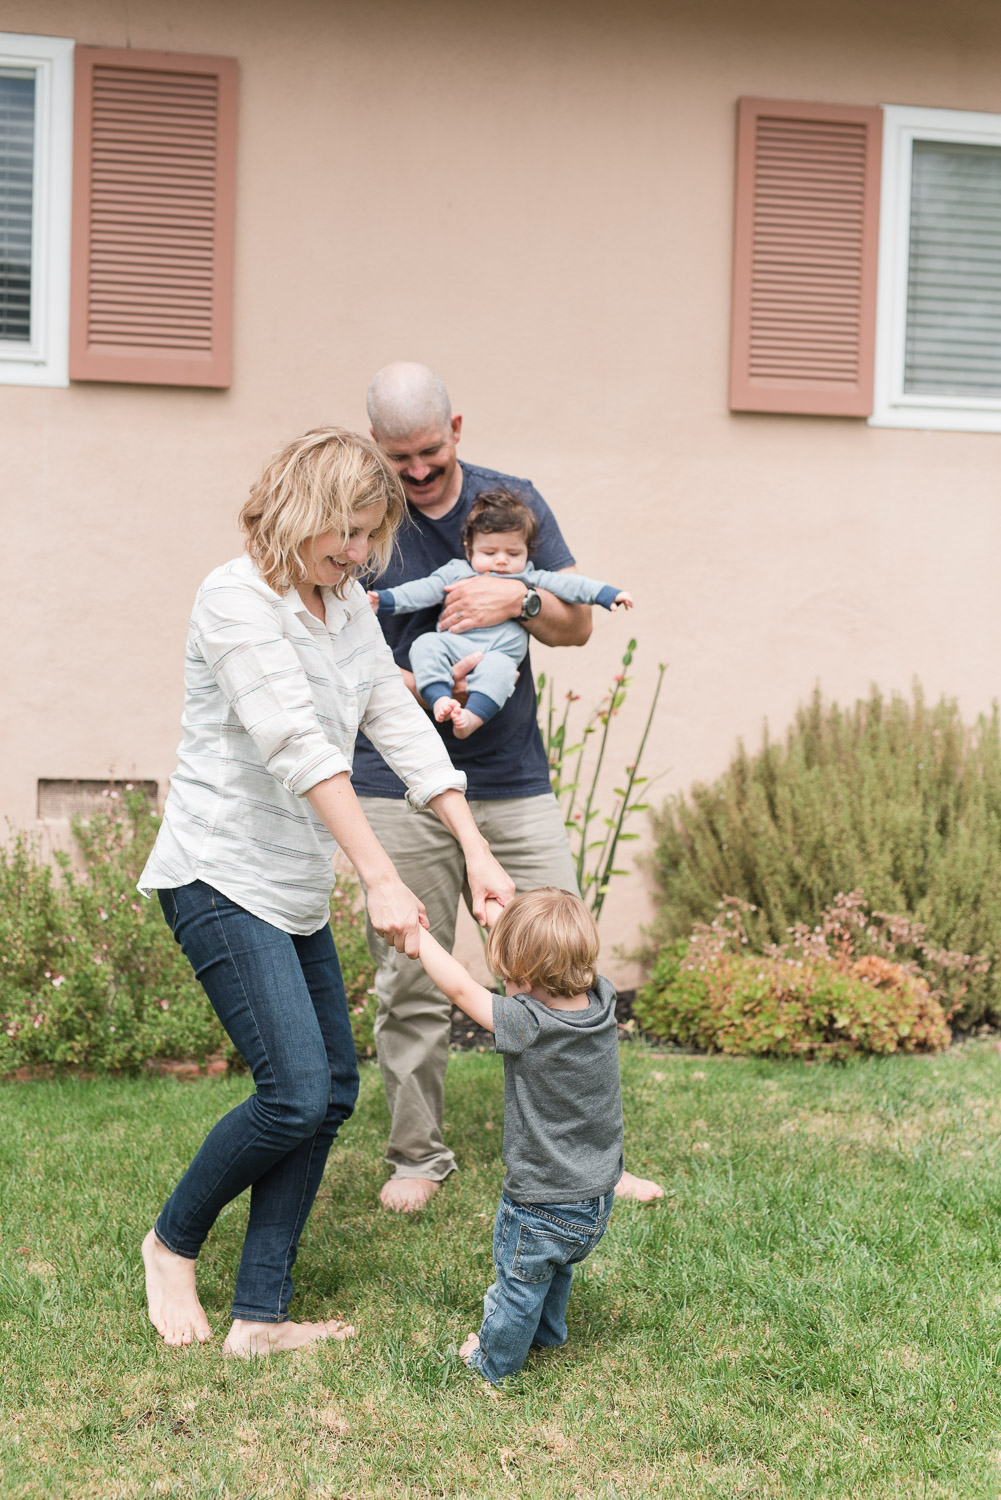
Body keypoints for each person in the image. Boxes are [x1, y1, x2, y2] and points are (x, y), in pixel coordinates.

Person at [137, 427, 514, 1356]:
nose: (354, 554)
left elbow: (392, 715)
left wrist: (472, 845)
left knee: (330, 1087)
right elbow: (298, 744)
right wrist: (380, 875)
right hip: (220, 870)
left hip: (292, 878)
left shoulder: (342, 604)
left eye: (368, 536)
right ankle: (171, 1241)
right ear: (298, 512)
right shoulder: (235, 599)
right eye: (341, 532)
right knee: (294, 1091)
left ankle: (259, 1318)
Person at [355, 361, 661, 1211]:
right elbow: (341, 623)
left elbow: (577, 626)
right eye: (396, 457)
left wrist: (510, 601)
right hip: (396, 777)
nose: (414, 472)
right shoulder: (363, 507)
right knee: (411, 974)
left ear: (455, 431)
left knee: (564, 963)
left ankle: (592, 1160)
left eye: (426, 452)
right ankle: (418, 1156)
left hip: (511, 777)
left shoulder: (508, 503)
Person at [414, 888, 622, 1385]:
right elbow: (543, 959)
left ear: (523, 979)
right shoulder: (602, 1001)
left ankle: (492, 1362)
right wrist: (508, 927)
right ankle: (548, 1333)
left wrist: (418, 938)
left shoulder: (528, 1022)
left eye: (507, 975)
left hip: (541, 1201)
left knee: (518, 1284)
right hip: (595, 1197)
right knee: (556, 1269)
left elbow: (463, 991)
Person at [369, 489, 633, 738]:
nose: (502, 560)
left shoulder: (529, 576)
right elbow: (422, 591)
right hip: (454, 645)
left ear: (528, 552)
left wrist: (607, 594)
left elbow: (572, 585)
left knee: (502, 671)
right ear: (469, 548)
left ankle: (472, 718)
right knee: (425, 645)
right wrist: (385, 600)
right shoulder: (457, 571)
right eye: (490, 552)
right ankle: (440, 698)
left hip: (498, 653)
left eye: (513, 552)